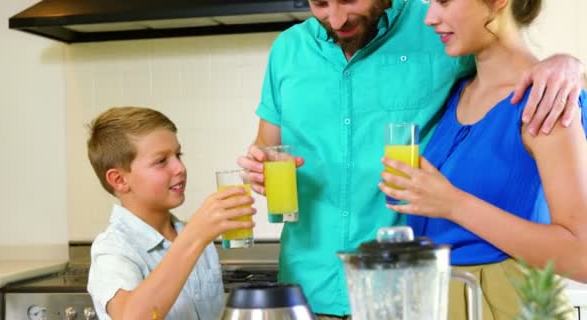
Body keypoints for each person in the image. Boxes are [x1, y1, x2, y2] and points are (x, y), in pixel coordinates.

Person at [236, 0, 585, 318]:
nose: (336, 18)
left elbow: (581, 256)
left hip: (435, 294)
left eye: (348, 0)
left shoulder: (534, 96)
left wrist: (568, 65)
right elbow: (268, 146)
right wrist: (259, 168)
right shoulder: (458, 97)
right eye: (320, 3)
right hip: (345, 291)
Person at [379, 0, 587, 318]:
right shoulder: (458, 92)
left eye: (444, 1)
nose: (430, 18)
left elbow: (581, 256)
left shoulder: (547, 102)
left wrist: (453, 204)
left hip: (512, 304)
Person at [86, 107, 255, 320]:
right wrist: (195, 236)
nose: (180, 168)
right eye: (161, 161)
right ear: (119, 180)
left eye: (178, 155)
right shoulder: (112, 249)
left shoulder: (191, 237)